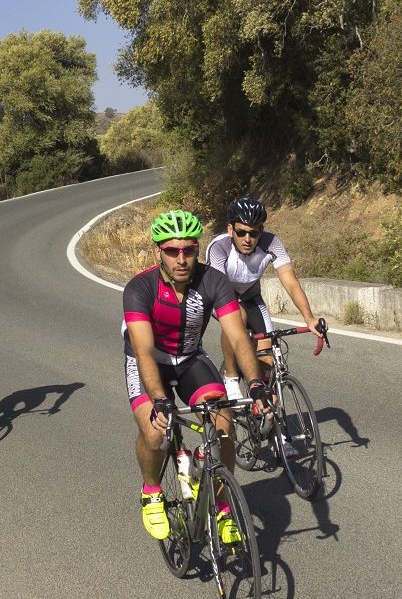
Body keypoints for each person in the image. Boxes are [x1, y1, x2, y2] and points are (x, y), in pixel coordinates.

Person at [124, 209, 267, 542]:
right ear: (159, 251)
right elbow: (143, 351)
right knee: (155, 432)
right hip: (149, 362)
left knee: (224, 421)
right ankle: (152, 491)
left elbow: (236, 335)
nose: (182, 258)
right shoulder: (139, 288)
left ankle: (222, 508)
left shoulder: (213, 281)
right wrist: (159, 400)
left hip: (189, 357)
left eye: (189, 249)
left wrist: (256, 383)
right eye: (172, 250)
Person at [205, 197, 322, 400]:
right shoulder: (219, 247)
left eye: (254, 232)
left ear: (261, 231)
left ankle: (265, 411)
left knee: (267, 353)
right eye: (241, 232)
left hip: (251, 297)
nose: (248, 239)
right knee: (236, 318)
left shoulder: (271, 242)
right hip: (223, 298)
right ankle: (231, 377)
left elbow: (291, 282)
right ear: (231, 230)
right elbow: (217, 291)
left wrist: (309, 318)